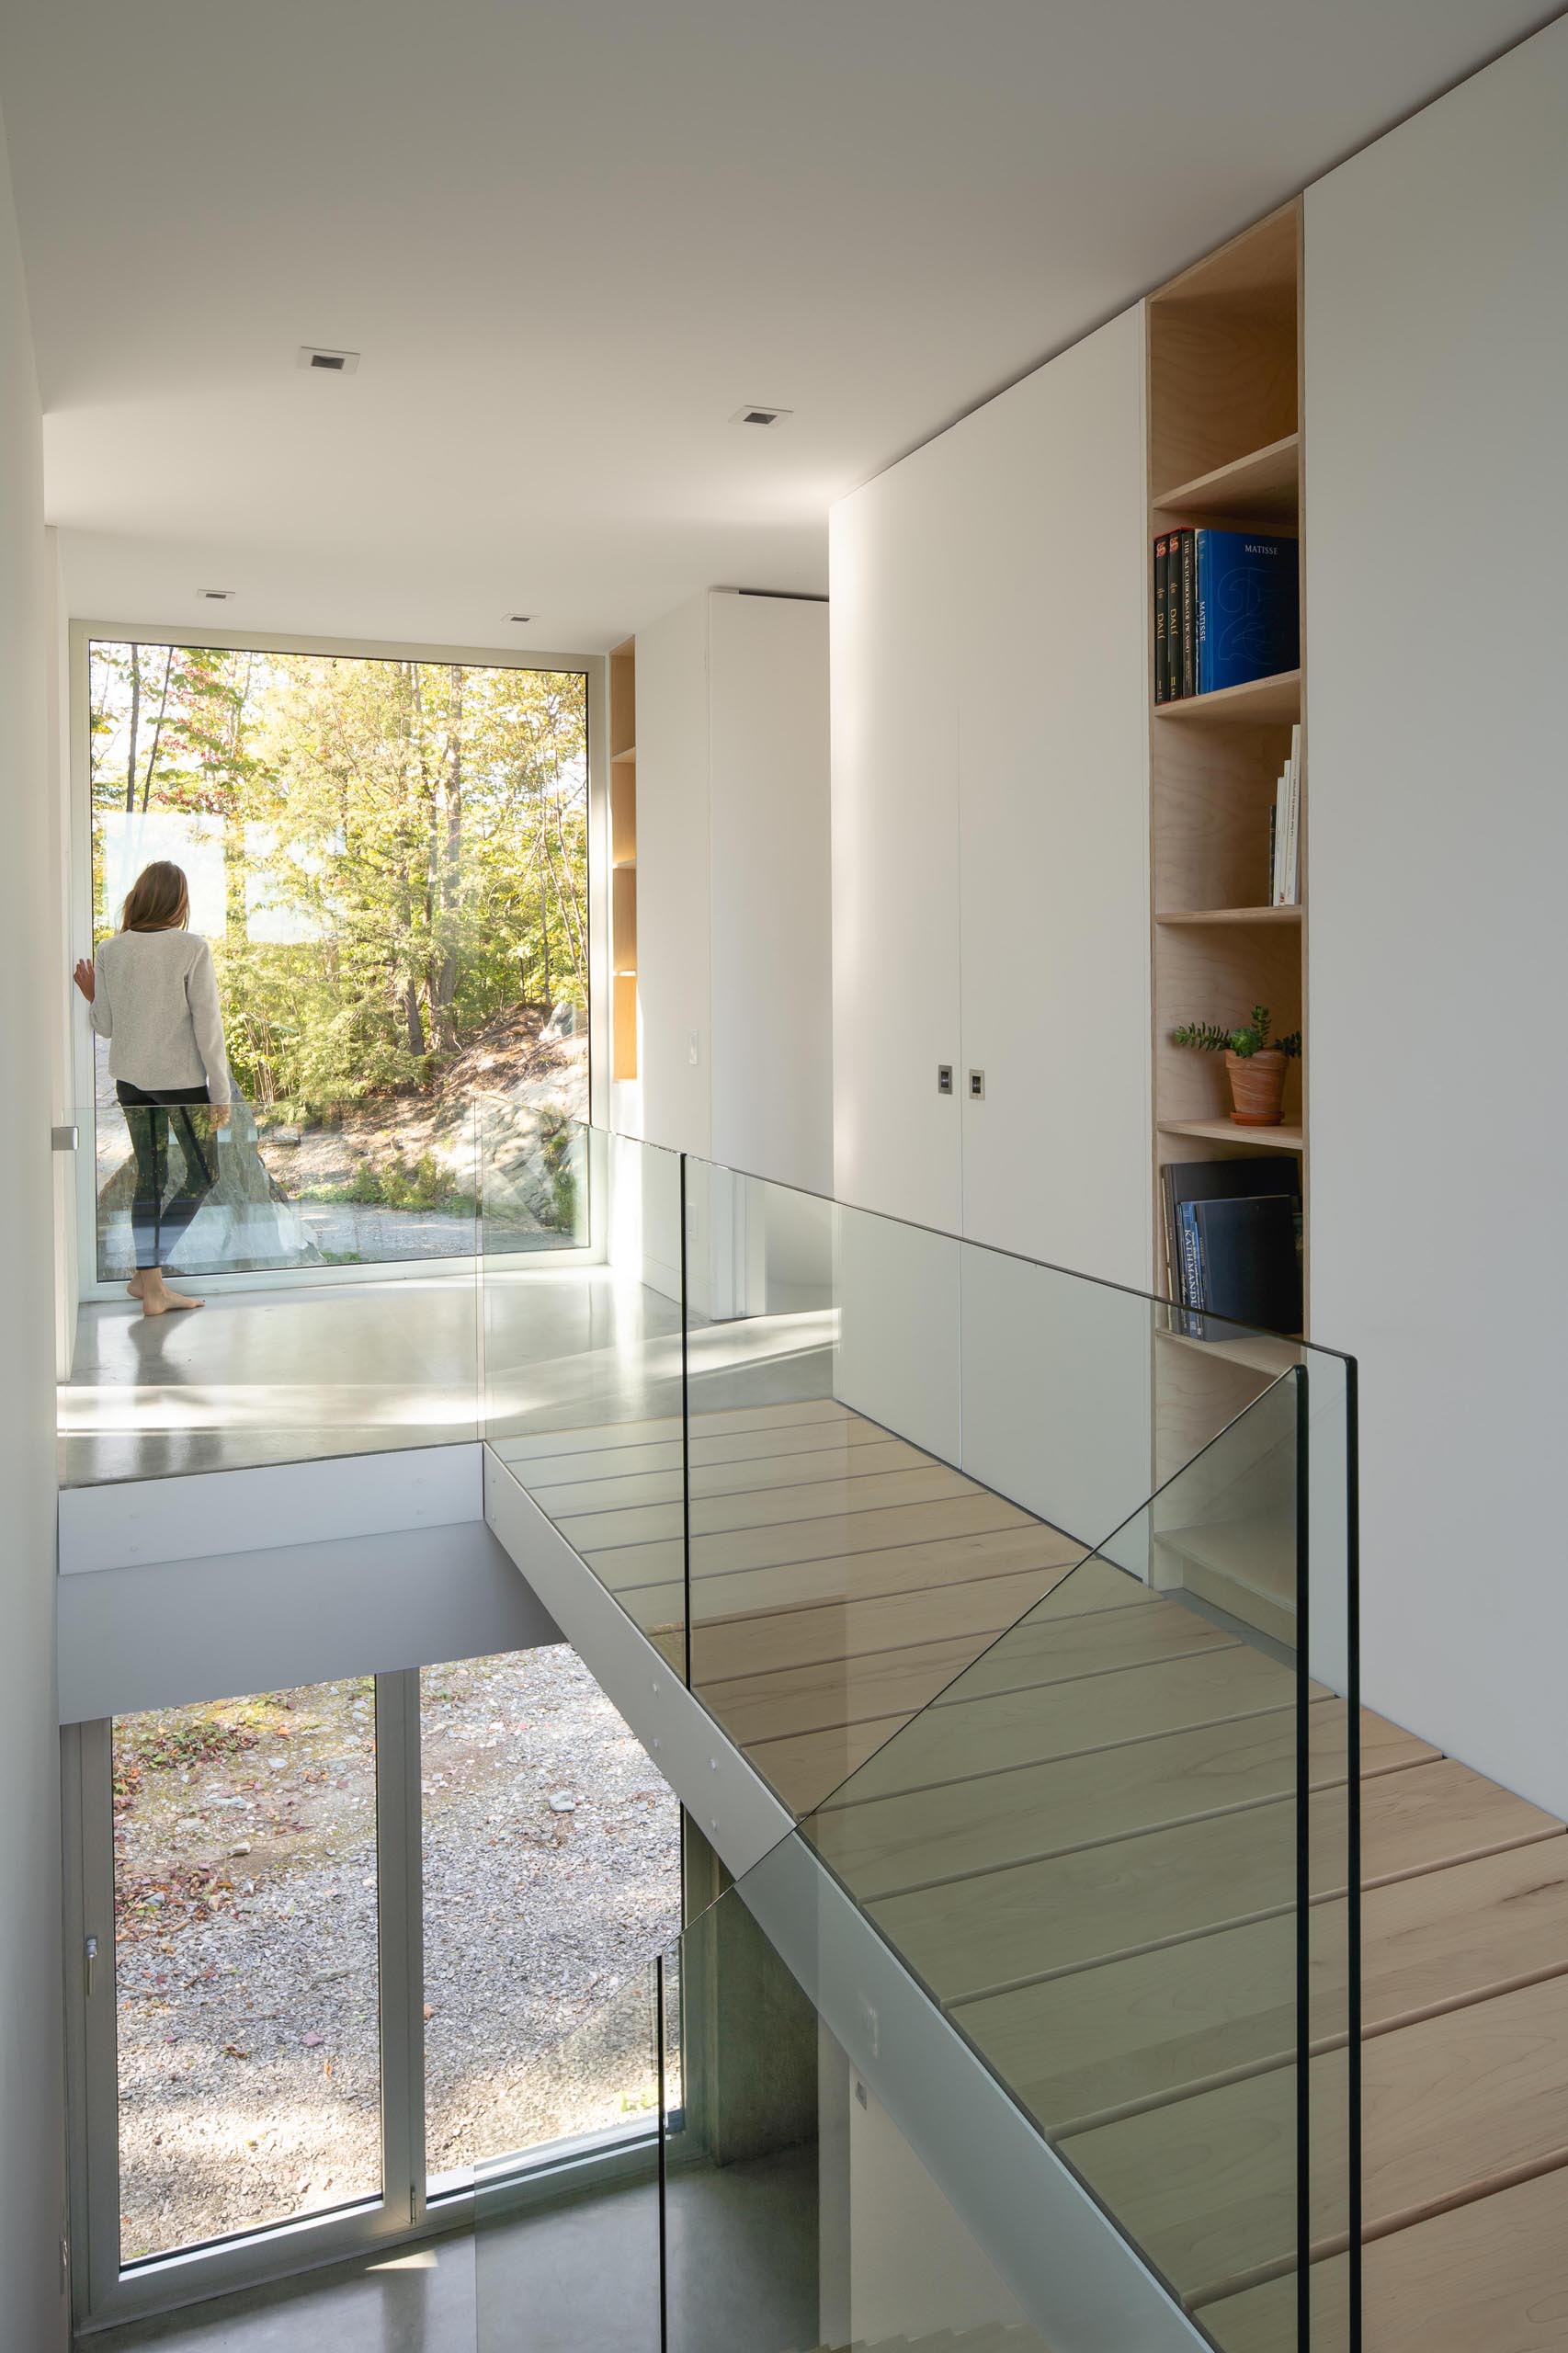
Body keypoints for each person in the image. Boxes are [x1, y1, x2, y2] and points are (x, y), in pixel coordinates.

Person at [72, 859, 233, 1315]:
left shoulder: (111, 950)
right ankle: (151, 1282)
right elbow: (209, 1027)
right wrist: (219, 1092)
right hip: (180, 1083)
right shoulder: (190, 948)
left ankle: (148, 1284)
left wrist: (93, 994)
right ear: (178, 901)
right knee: (204, 1174)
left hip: (131, 1083)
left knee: (152, 1177)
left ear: (140, 897)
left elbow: (104, 1026)